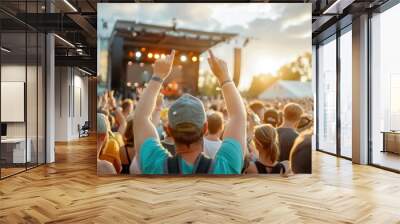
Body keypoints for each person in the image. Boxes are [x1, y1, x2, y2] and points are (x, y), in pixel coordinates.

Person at [133, 50, 246, 175]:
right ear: (205, 128)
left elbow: (140, 118)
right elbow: (238, 116)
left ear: (168, 130)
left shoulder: (155, 166)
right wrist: (224, 77)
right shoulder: (225, 169)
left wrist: (157, 76)